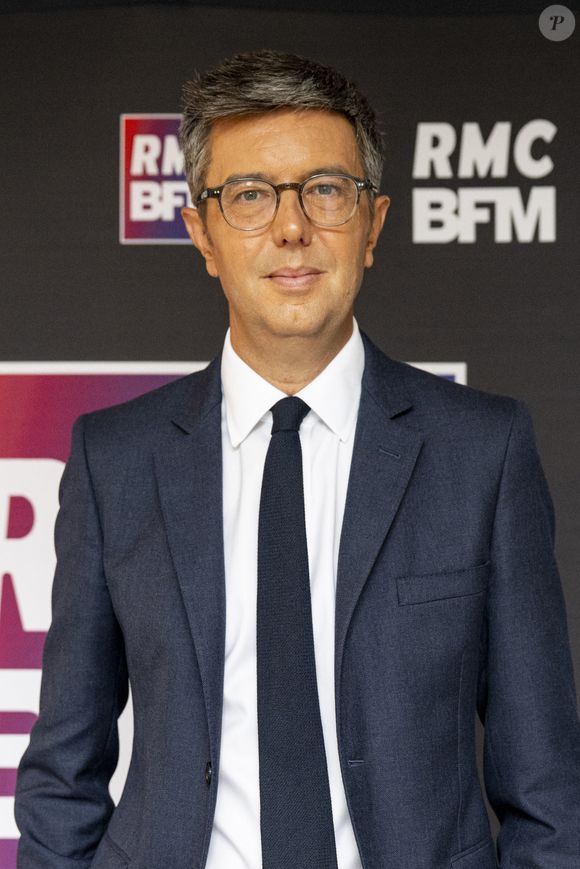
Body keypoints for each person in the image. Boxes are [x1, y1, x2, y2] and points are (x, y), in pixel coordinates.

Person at [15, 50, 580, 869]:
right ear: (202, 234)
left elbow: (548, 797)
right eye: (249, 195)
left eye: (325, 190)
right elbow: (63, 775)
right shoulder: (116, 461)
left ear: (374, 224)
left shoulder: (482, 452)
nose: (290, 227)